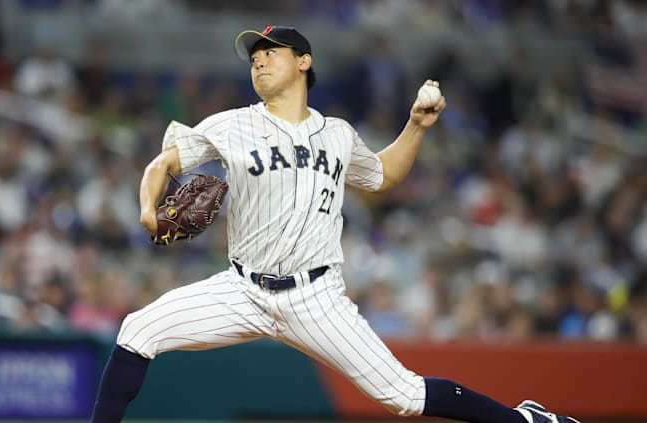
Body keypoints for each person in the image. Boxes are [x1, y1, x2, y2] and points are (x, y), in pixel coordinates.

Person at [89, 26, 579, 423]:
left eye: (270, 51)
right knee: (137, 330)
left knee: (403, 396)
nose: (258, 60)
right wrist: (149, 208)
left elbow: (383, 175)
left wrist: (415, 126)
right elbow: (162, 165)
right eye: (253, 56)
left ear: (304, 61)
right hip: (241, 290)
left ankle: (526, 420)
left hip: (315, 297)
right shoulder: (230, 124)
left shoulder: (337, 135)